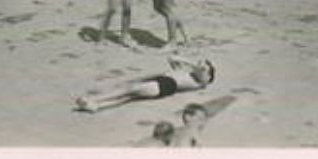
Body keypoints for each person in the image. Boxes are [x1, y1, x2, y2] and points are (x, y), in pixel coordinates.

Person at [73, 57, 216, 113]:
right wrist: (189, 63)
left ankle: (94, 100)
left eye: (202, 68)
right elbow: (172, 58)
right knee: (129, 97)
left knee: (127, 91)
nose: (199, 66)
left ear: (206, 75)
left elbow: (205, 80)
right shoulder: (185, 73)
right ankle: (97, 106)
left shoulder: (198, 82)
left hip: (165, 85)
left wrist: (197, 66)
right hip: (162, 83)